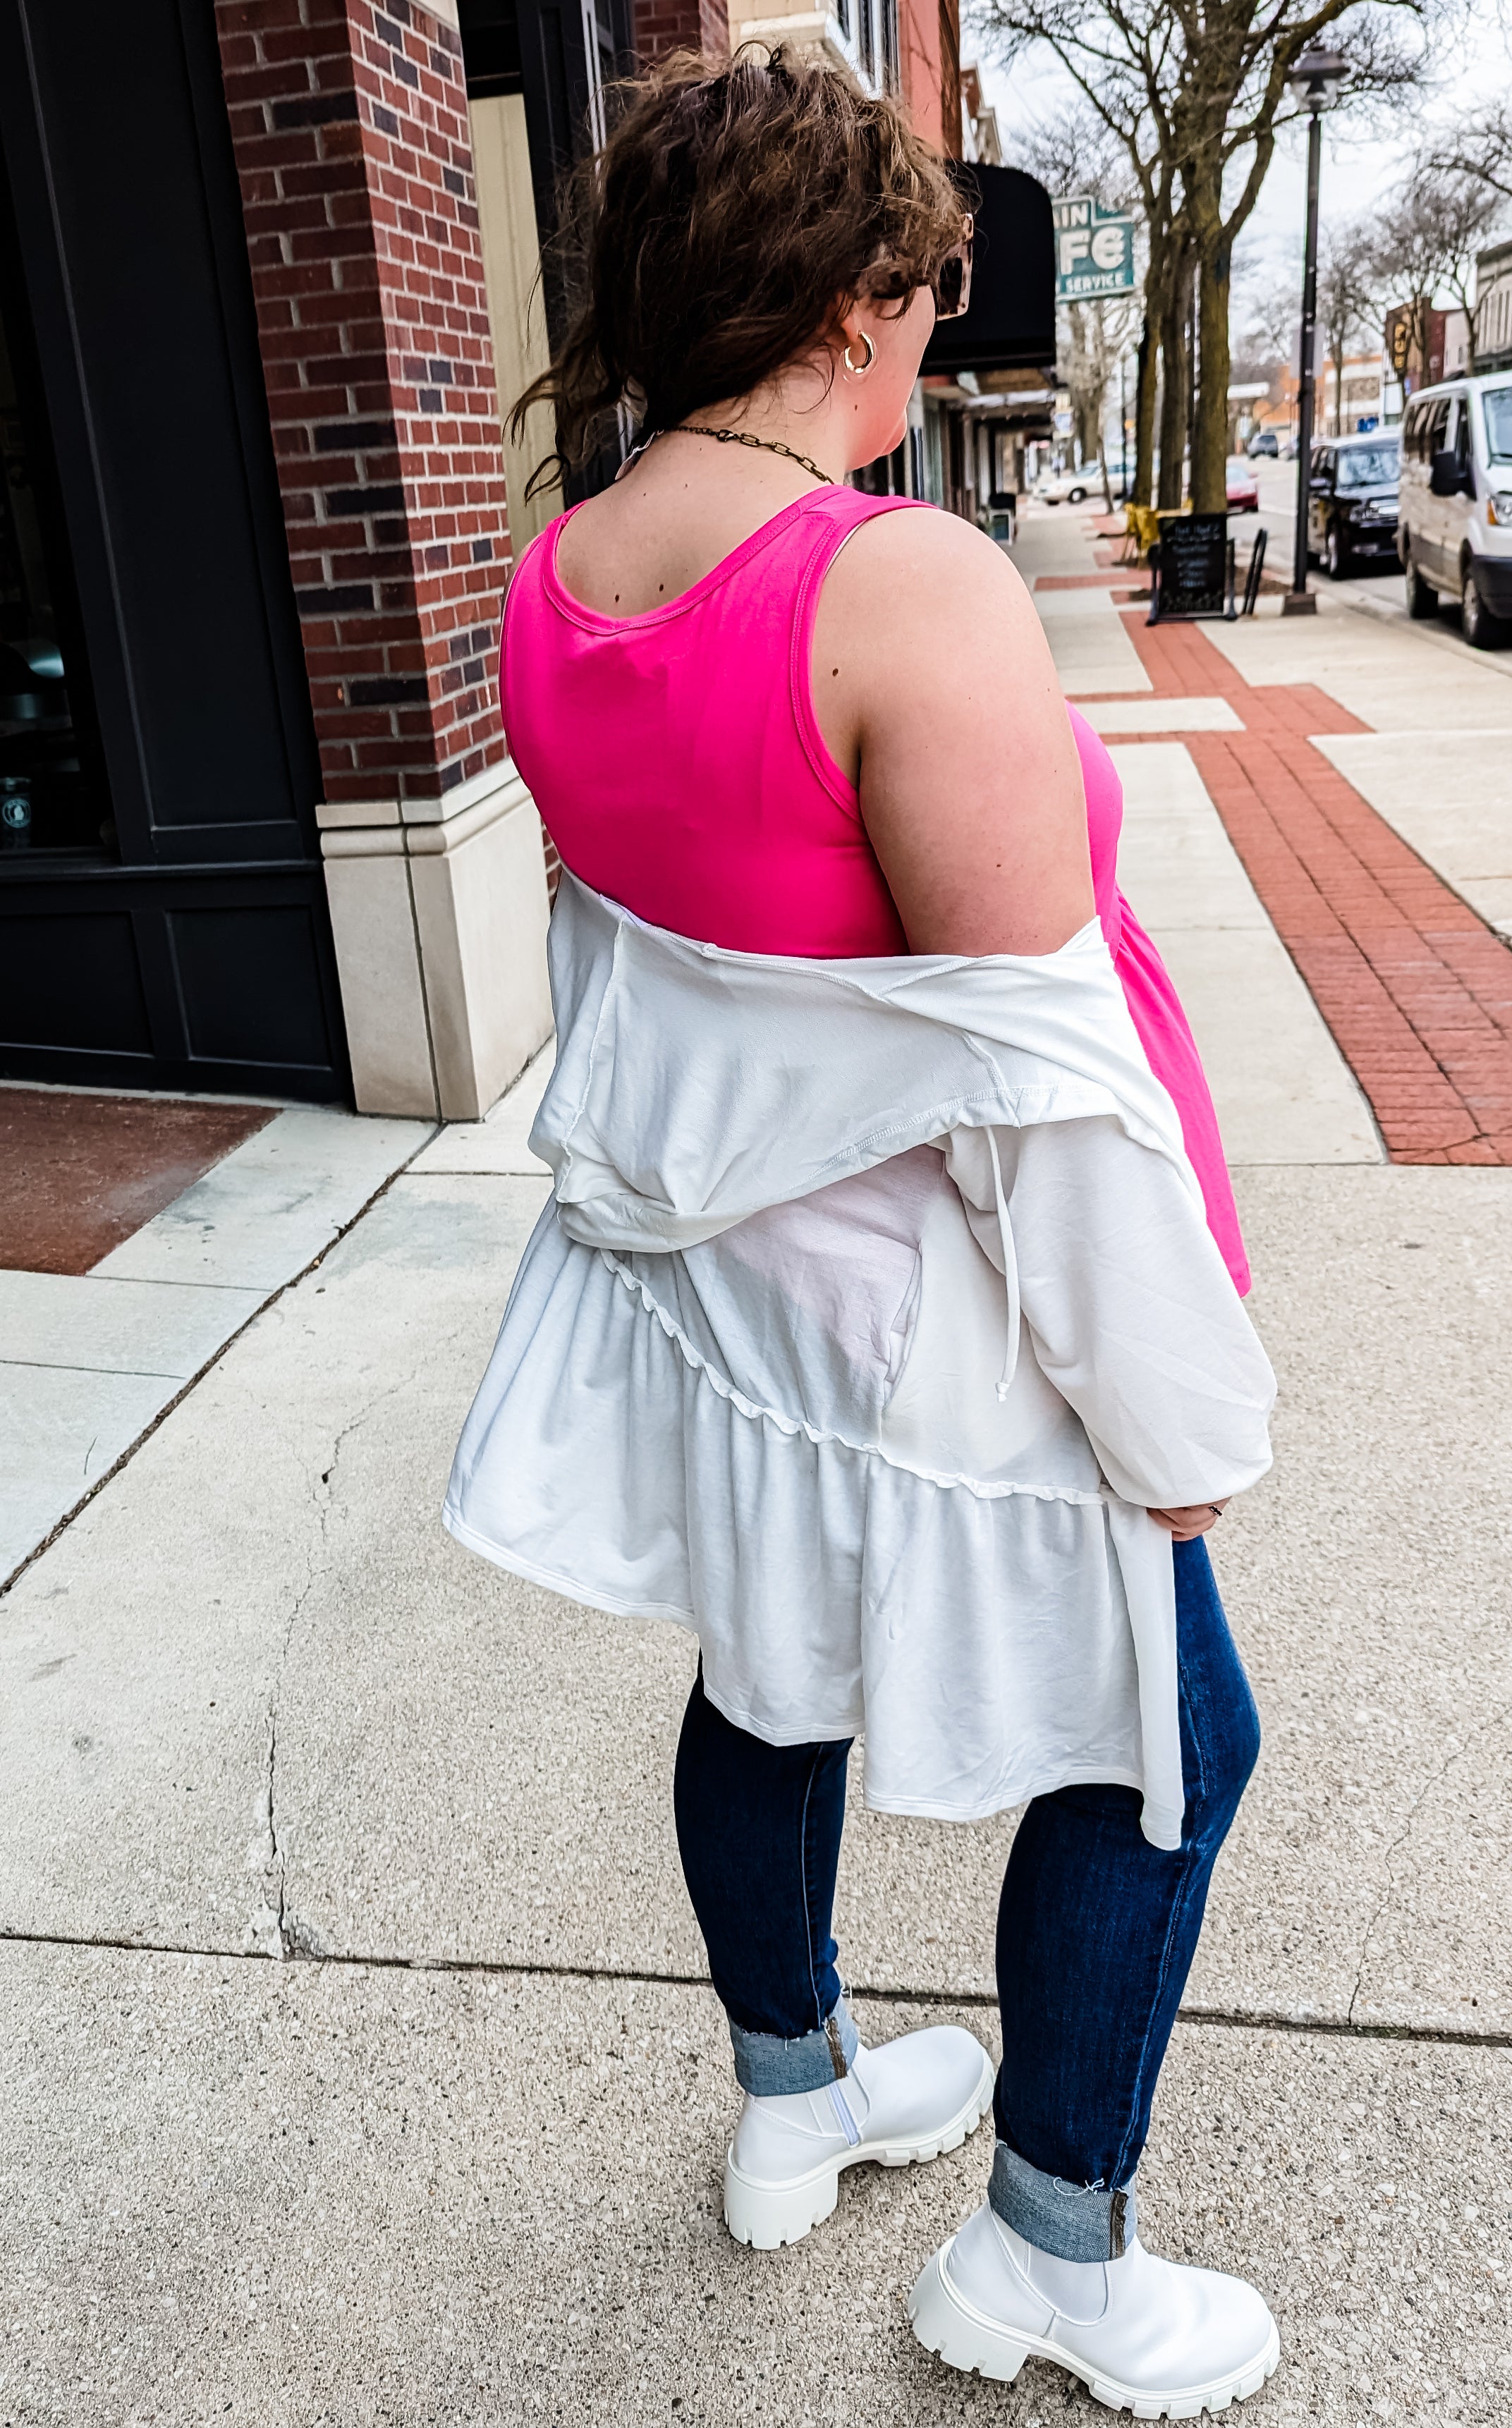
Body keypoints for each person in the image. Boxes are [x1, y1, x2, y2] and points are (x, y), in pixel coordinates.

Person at [446, 47, 1280, 2414]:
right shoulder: (891, 582)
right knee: (1176, 1751)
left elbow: (665, 980)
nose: (929, 332)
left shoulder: (561, 574)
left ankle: (795, 2091)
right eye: (916, 286)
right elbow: (1040, 1104)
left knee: (760, 1671)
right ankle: (1049, 2254)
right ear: (841, 297)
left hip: (746, 1309)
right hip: (944, 1316)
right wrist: (1167, 1411)